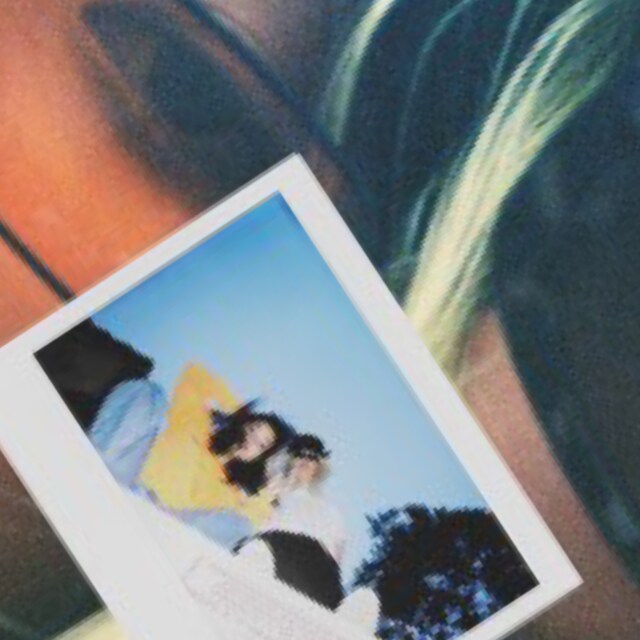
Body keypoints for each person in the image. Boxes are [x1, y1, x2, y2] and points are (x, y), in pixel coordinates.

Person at [237, 434, 347, 612]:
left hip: (315, 568)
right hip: (275, 550)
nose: (305, 460)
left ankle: (341, 611)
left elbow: (336, 554)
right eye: (299, 454)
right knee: (260, 547)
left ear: (318, 466)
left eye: (312, 457)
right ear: (291, 459)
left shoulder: (329, 510)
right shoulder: (273, 489)